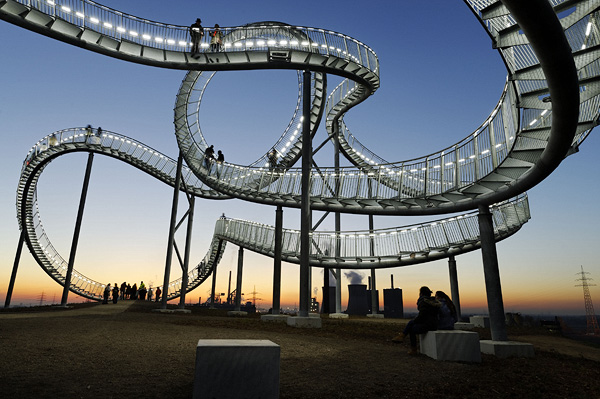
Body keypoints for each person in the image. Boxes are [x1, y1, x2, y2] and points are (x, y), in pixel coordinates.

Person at [391, 286, 440, 355]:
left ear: (421, 294)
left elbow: (422, 316)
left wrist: (415, 321)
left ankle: (412, 347)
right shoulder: (433, 301)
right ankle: (402, 337)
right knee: (411, 324)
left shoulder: (424, 302)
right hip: (434, 323)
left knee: (412, 328)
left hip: (428, 325)